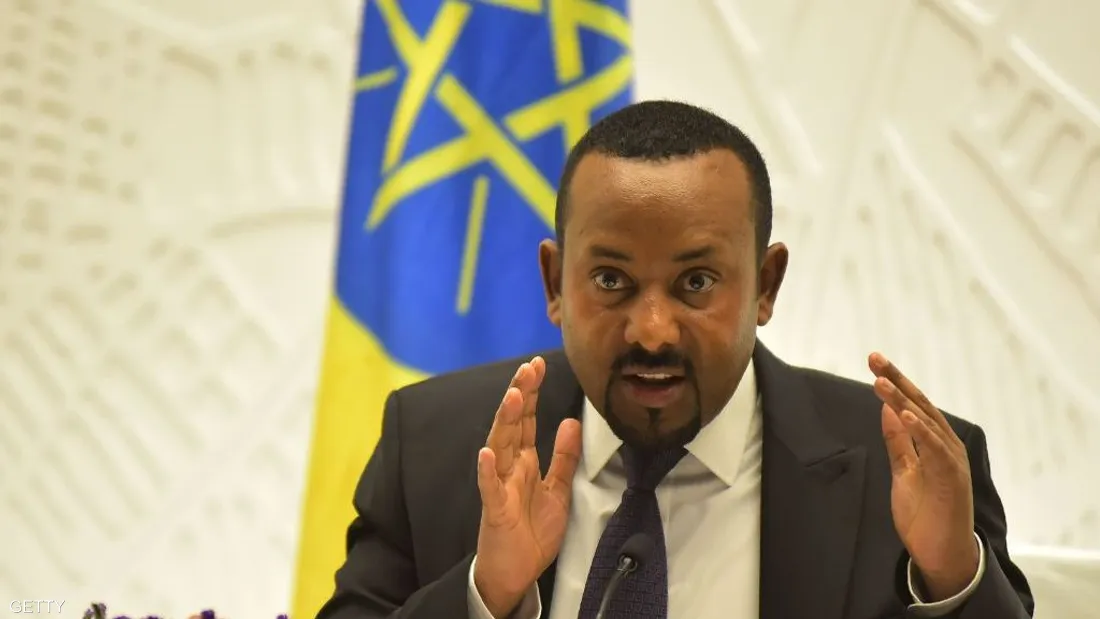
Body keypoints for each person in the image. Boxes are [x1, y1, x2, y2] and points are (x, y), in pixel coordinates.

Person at [315, 100, 1034, 619]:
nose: (652, 331)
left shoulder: (904, 472)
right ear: (554, 284)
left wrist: (950, 580)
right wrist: (486, 595)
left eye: (696, 283)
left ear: (766, 285)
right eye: (611, 281)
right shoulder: (436, 446)